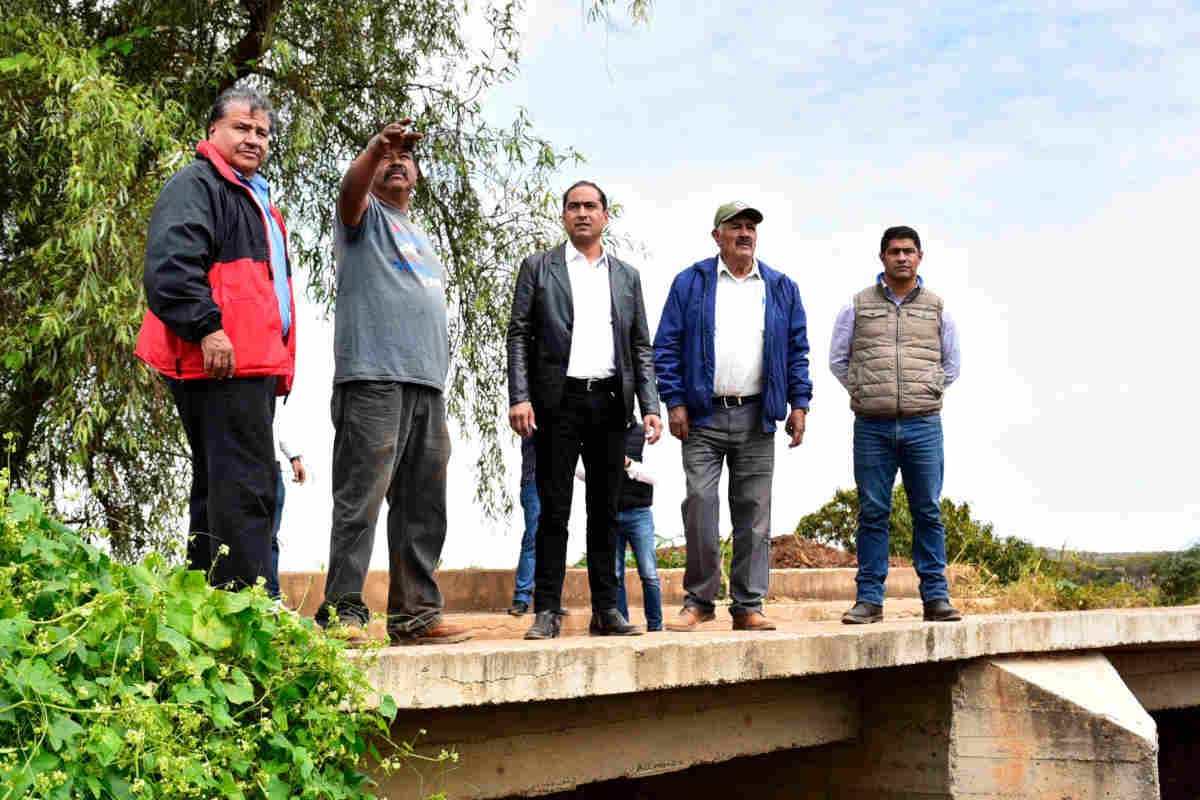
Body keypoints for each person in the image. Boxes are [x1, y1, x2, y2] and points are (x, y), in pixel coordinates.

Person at [316, 121, 471, 646]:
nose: (397, 162)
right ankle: (342, 612)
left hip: (426, 384)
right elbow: (349, 188)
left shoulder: (421, 235)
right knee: (360, 498)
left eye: (406, 157)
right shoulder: (361, 217)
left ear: (418, 175)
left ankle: (416, 615)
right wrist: (376, 146)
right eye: (388, 158)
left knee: (423, 504)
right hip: (373, 378)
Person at [135, 86, 296, 590]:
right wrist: (207, 327)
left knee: (220, 489)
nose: (253, 139)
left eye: (262, 133)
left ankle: (208, 607)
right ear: (212, 133)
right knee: (246, 489)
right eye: (241, 129)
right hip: (225, 360)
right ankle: (248, 613)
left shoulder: (251, 196)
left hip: (249, 363)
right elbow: (171, 266)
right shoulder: (198, 185)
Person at [506, 180, 663, 640]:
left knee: (606, 511)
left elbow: (640, 345)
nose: (582, 213)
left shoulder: (626, 276)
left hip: (612, 403)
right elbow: (518, 334)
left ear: (605, 216)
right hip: (557, 403)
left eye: (590, 206)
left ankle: (607, 611)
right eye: (573, 206)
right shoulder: (539, 268)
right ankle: (547, 611)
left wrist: (649, 405)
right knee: (553, 511)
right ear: (563, 216)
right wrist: (520, 395)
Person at [653, 201, 812, 632]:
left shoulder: (780, 287)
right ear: (716, 235)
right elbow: (665, 346)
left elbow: (797, 351)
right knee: (701, 506)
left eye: (750, 227)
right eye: (735, 226)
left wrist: (800, 405)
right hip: (703, 417)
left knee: (755, 514)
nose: (744, 233)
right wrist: (674, 401)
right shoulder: (691, 283)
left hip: (758, 415)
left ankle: (747, 605)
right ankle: (700, 600)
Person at [830, 225, 962, 624]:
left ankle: (935, 599)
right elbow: (838, 359)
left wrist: (929, 391)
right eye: (894, 252)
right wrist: (865, 390)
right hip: (872, 426)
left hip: (924, 426)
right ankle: (869, 601)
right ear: (882, 258)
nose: (902, 257)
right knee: (872, 512)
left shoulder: (938, 307)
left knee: (928, 511)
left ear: (920, 256)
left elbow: (951, 364)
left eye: (909, 251)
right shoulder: (857, 306)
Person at [575, 420, 663, 631]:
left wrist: (626, 464)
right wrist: (603, 468)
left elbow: (655, 476)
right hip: (610, 514)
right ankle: (620, 622)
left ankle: (656, 627)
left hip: (639, 514)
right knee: (614, 575)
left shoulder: (645, 433)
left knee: (649, 573)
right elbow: (579, 470)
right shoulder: (598, 432)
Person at [266, 413, 307, 603]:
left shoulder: (272, 392)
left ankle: (272, 596)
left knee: (271, 537)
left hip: (273, 469)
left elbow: (279, 427)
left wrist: (294, 458)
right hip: (247, 463)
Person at [508, 434, 539, 616]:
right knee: (533, 538)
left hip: (557, 483)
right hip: (534, 483)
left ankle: (549, 599)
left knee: (554, 540)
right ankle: (522, 597)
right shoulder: (531, 414)